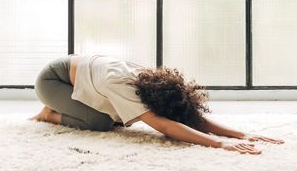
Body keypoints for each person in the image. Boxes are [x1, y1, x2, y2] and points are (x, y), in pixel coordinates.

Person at [30, 54, 284, 155]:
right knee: (102, 122)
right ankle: (49, 114)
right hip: (52, 81)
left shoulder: (150, 83)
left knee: (119, 117)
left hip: (83, 81)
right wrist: (220, 144)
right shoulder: (124, 86)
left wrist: (240, 133)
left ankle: (65, 108)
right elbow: (164, 125)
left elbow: (185, 117)